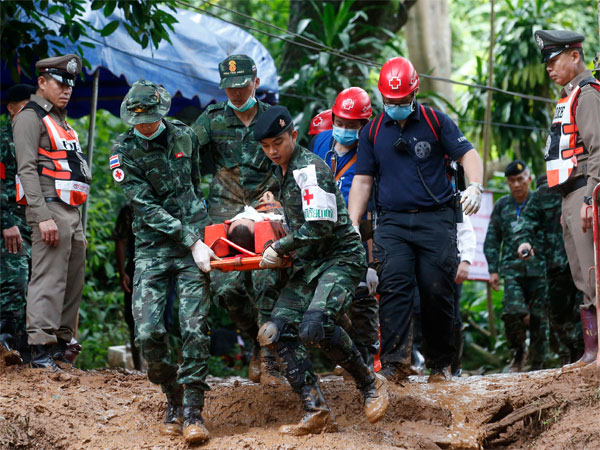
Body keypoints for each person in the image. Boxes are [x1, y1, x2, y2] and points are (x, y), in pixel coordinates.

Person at [348, 56, 484, 382]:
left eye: (402, 100)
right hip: (392, 223)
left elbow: (469, 155)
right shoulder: (372, 131)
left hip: (436, 219)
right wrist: (354, 222)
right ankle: (396, 364)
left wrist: (476, 186)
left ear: (415, 92)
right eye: (389, 101)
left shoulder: (437, 121)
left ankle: (440, 365)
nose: (395, 105)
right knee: (394, 288)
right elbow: (363, 180)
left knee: (436, 290)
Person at [255, 106, 389, 435]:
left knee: (314, 327)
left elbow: (320, 227)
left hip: (340, 257)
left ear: (294, 137)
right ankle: (316, 410)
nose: (272, 151)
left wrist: (279, 248)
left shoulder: (308, 169)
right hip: (309, 262)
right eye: (266, 146)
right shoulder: (279, 173)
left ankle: (371, 384)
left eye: (278, 143)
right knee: (274, 332)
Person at [111, 79, 217, 444]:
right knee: (148, 333)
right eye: (138, 120)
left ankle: (192, 411)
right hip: (155, 248)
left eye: (151, 119)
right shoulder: (122, 152)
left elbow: (194, 186)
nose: (144, 126)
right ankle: (171, 390)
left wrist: (202, 235)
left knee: (194, 327)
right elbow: (145, 207)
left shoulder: (184, 136)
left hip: (193, 248)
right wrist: (189, 238)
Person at [192, 54, 285, 384]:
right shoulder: (213, 119)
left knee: (266, 279)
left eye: (242, 85)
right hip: (224, 212)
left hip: (264, 209)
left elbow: (288, 160)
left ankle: (270, 356)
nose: (235, 92)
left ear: (256, 83)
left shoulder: (272, 119)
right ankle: (254, 340)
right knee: (227, 287)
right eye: (229, 87)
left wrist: (279, 192)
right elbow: (186, 149)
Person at [13, 55, 90, 371]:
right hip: (49, 207)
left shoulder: (59, 118)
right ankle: (40, 348)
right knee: (49, 278)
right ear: (42, 83)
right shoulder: (30, 117)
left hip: (71, 210)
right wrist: (41, 215)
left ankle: (60, 344)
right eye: (60, 83)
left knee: (73, 278)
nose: (67, 90)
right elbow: (26, 169)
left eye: (70, 84)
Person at [532, 29, 600, 366]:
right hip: (568, 195)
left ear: (575, 56)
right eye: (547, 61)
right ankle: (592, 351)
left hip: (585, 192)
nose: (548, 67)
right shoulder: (568, 96)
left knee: (594, 273)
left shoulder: (587, 95)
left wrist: (592, 197)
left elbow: (598, 148)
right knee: (581, 275)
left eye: (554, 59)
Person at [308, 87, 379, 369]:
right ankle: (342, 358)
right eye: (340, 123)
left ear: (364, 124)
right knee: (326, 301)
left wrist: (373, 260)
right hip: (320, 236)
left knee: (362, 296)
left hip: (358, 235)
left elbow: (373, 208)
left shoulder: (371, 151)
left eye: (351, 126)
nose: (344, 130)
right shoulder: (321, 141)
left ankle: (366, 357)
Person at [484, 161, 549, 372]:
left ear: (529, 179)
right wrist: (493, 269)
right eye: (511, 181)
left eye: (520, 179)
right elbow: (493, 238)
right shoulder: (502, 205)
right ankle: (518, 352)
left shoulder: (539, 202)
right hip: (511, 270)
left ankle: (538, 362)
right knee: (512, 311)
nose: (516, 184)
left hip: (539, 269)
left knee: (540, 316)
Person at [515, 174, 583, 365]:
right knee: (557, 313)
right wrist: (524, 241)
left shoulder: (586, 183)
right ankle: (573, 349)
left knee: (585, 307)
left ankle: (583, 352)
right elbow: (526, 220)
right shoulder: (543, 194)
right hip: (557, 266)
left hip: (583, 262)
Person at [0, 84, 36, 365]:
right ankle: (6, 342)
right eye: (25, 107)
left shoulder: (34, 138)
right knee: (15, 281)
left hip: (32, 222)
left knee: (33, 285)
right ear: (11, 109)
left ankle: (24, 349)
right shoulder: (3, 138)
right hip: (9, 222)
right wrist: (7, 221)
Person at [451, 213, 476, 376]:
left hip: (452, 261)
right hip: (422, 260)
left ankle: (454, 365)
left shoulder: (452, 195)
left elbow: (466, 231)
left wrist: (466, 260)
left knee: (452, 314)